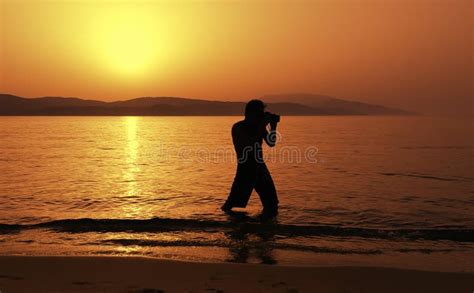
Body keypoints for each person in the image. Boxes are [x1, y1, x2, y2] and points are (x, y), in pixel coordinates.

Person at [221, 99, 279, 218]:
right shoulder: (238, 127)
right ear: (250, 113)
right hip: (246, 168)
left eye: (261, 113)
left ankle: (265, 230)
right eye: (258, 113)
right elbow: (250, 143)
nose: (260, 116)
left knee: (272, 204)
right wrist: (262, 124)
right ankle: (228, 226)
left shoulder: (259, 127)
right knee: (232, 204)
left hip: (260, 167)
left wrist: (273, 127)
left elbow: (271, 142)